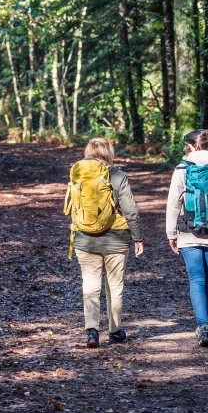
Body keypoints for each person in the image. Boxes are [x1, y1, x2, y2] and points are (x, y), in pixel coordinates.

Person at [68, 137, 144, 348]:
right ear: (109, 152)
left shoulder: (78, 173)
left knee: (90, 285)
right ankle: (115, 330)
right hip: (117, 238)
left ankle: (92, 332)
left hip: (85, 238)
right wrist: (138, 237)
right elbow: (130, 209)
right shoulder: (118, 175)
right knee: (115, 286)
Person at [166, 129, 208, 347]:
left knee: (197, 279)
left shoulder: (183, 168)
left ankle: (203, 325)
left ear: (196, 146)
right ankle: (206, 323)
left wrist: (171, 233)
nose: (184, 149)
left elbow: (173, 202)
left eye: (186, 145)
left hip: (189, 230)